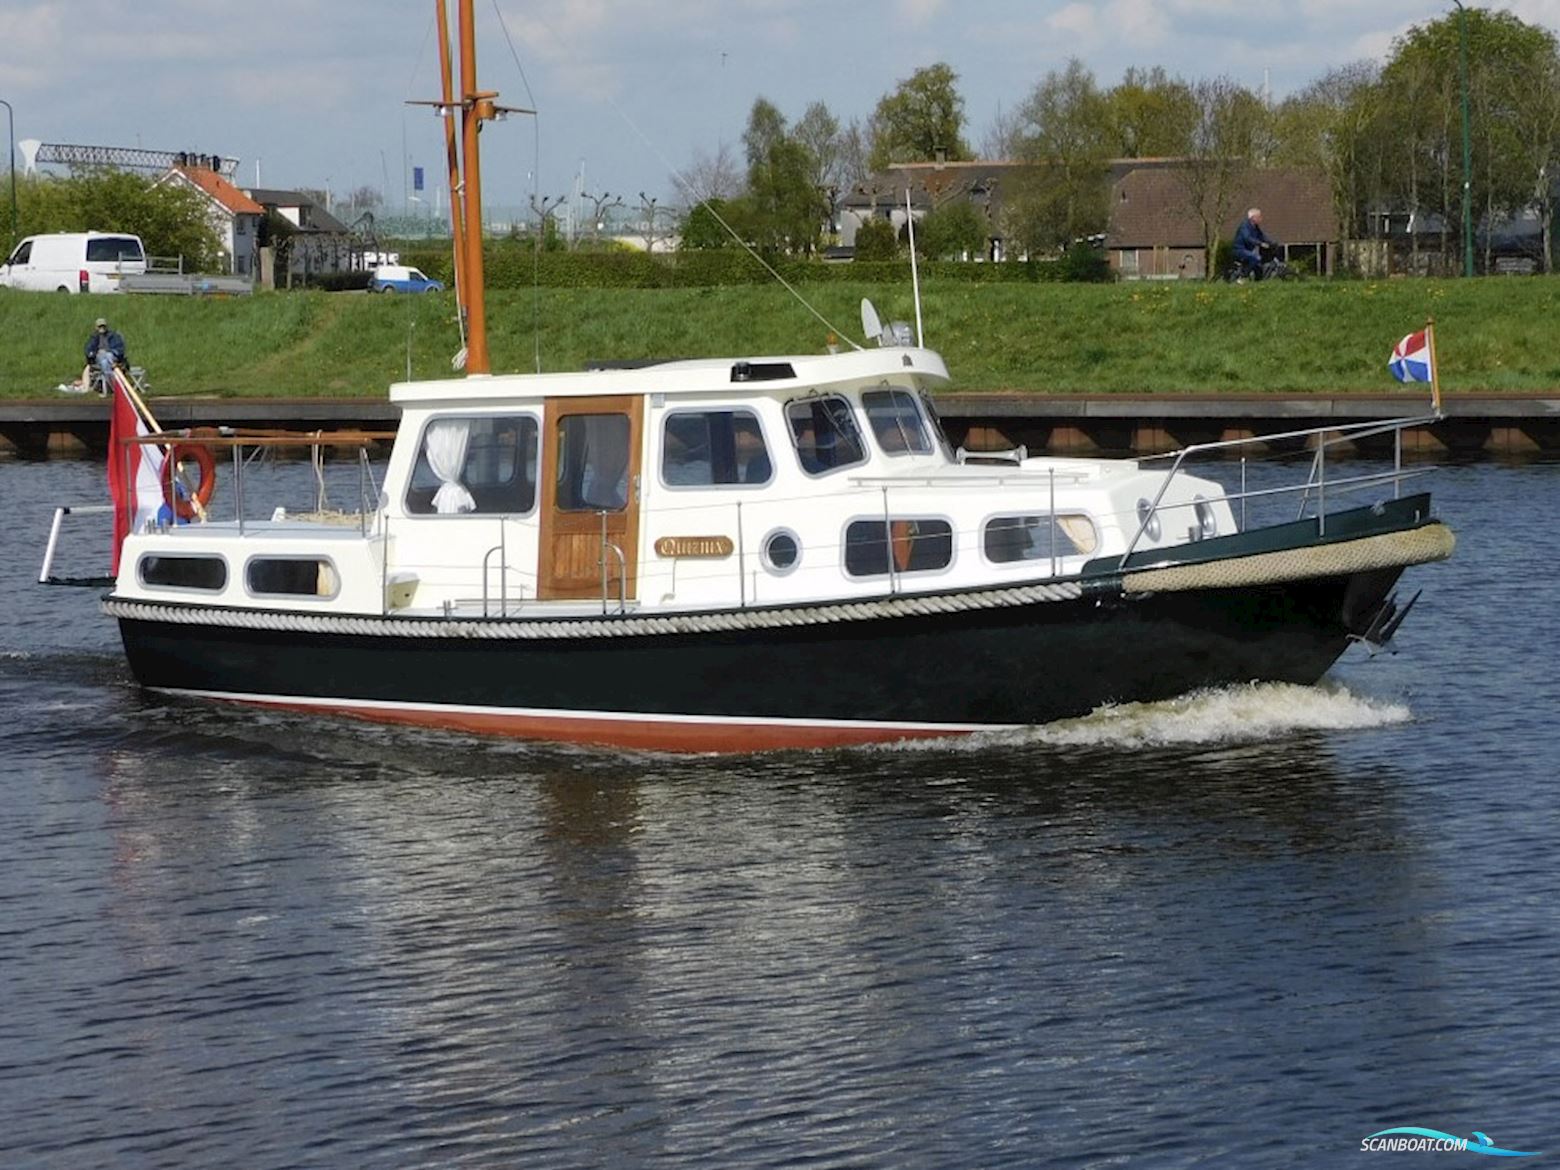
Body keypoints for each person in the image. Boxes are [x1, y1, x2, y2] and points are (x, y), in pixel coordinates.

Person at [84, 318, 127, 395]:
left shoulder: (114, 336)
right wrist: (94, 353)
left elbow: (120, 350)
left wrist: (109, 351)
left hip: (112, 356)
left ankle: (111, 387)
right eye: (100, 326)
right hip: (99, 358)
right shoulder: (94, 338)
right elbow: (89, 351)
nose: (102, 328)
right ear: (96, 327)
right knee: (104, 361)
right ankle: (115, 387)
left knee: (107, 357)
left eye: (103, 326)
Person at [1232, 208, 1273, 280]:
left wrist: (1271, 242)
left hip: (1248, 250)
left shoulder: (1255, 227)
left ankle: (1259, 282)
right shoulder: (1244, 226)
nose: (1261, 219)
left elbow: (1262, 236)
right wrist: (1260, 244)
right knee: (1256, 258)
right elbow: (1247, 238)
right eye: (1259, 217)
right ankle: (1243, 276)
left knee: (1259, 265)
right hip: (1240, 249)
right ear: (1253, 218)